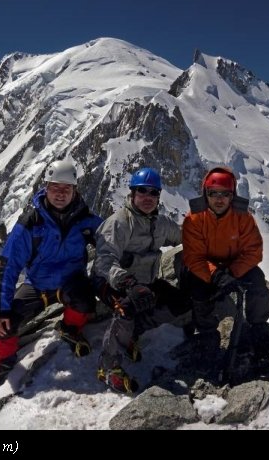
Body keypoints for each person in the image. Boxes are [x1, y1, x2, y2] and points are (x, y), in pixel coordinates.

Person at [0, 159, 103, 389]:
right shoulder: (30, 223)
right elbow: (9, 267)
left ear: (75, 190)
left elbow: (110, 239)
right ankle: (5, 359)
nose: (60, 194)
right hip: (37, 285)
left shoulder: (85, 220)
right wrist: (0, 310)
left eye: (66, 188)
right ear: (46, 188)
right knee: (5, 322)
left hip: (71, 283)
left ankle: (69, 328)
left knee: (86, 300)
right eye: (55, 187)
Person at [94, 167, 189, 394]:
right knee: (126, 308)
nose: (148, 197)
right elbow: (104, 261)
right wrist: (128, 283)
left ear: (159, 196)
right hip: (110, 281)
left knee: (180, 303)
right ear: (132, 193)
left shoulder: (160, 223)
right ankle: (108, 366)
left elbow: (183, 236)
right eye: (142, 191)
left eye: (153, 192)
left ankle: (132, 332)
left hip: (144, 282)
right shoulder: (119, 222)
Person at [181, 166, 269, 364]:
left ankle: (258, 328)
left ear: (232, 196)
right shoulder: (194, 219)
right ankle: (207, 332)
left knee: (257, 281)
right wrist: (216, 275)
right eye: (213, 193)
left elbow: (254, 251)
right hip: (207, 267)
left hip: (234, 265)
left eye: (225, 194)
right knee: (196, 287)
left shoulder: (243, 217)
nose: (219, 199)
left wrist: (232, 272)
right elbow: (194, 256)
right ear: (205, 194)